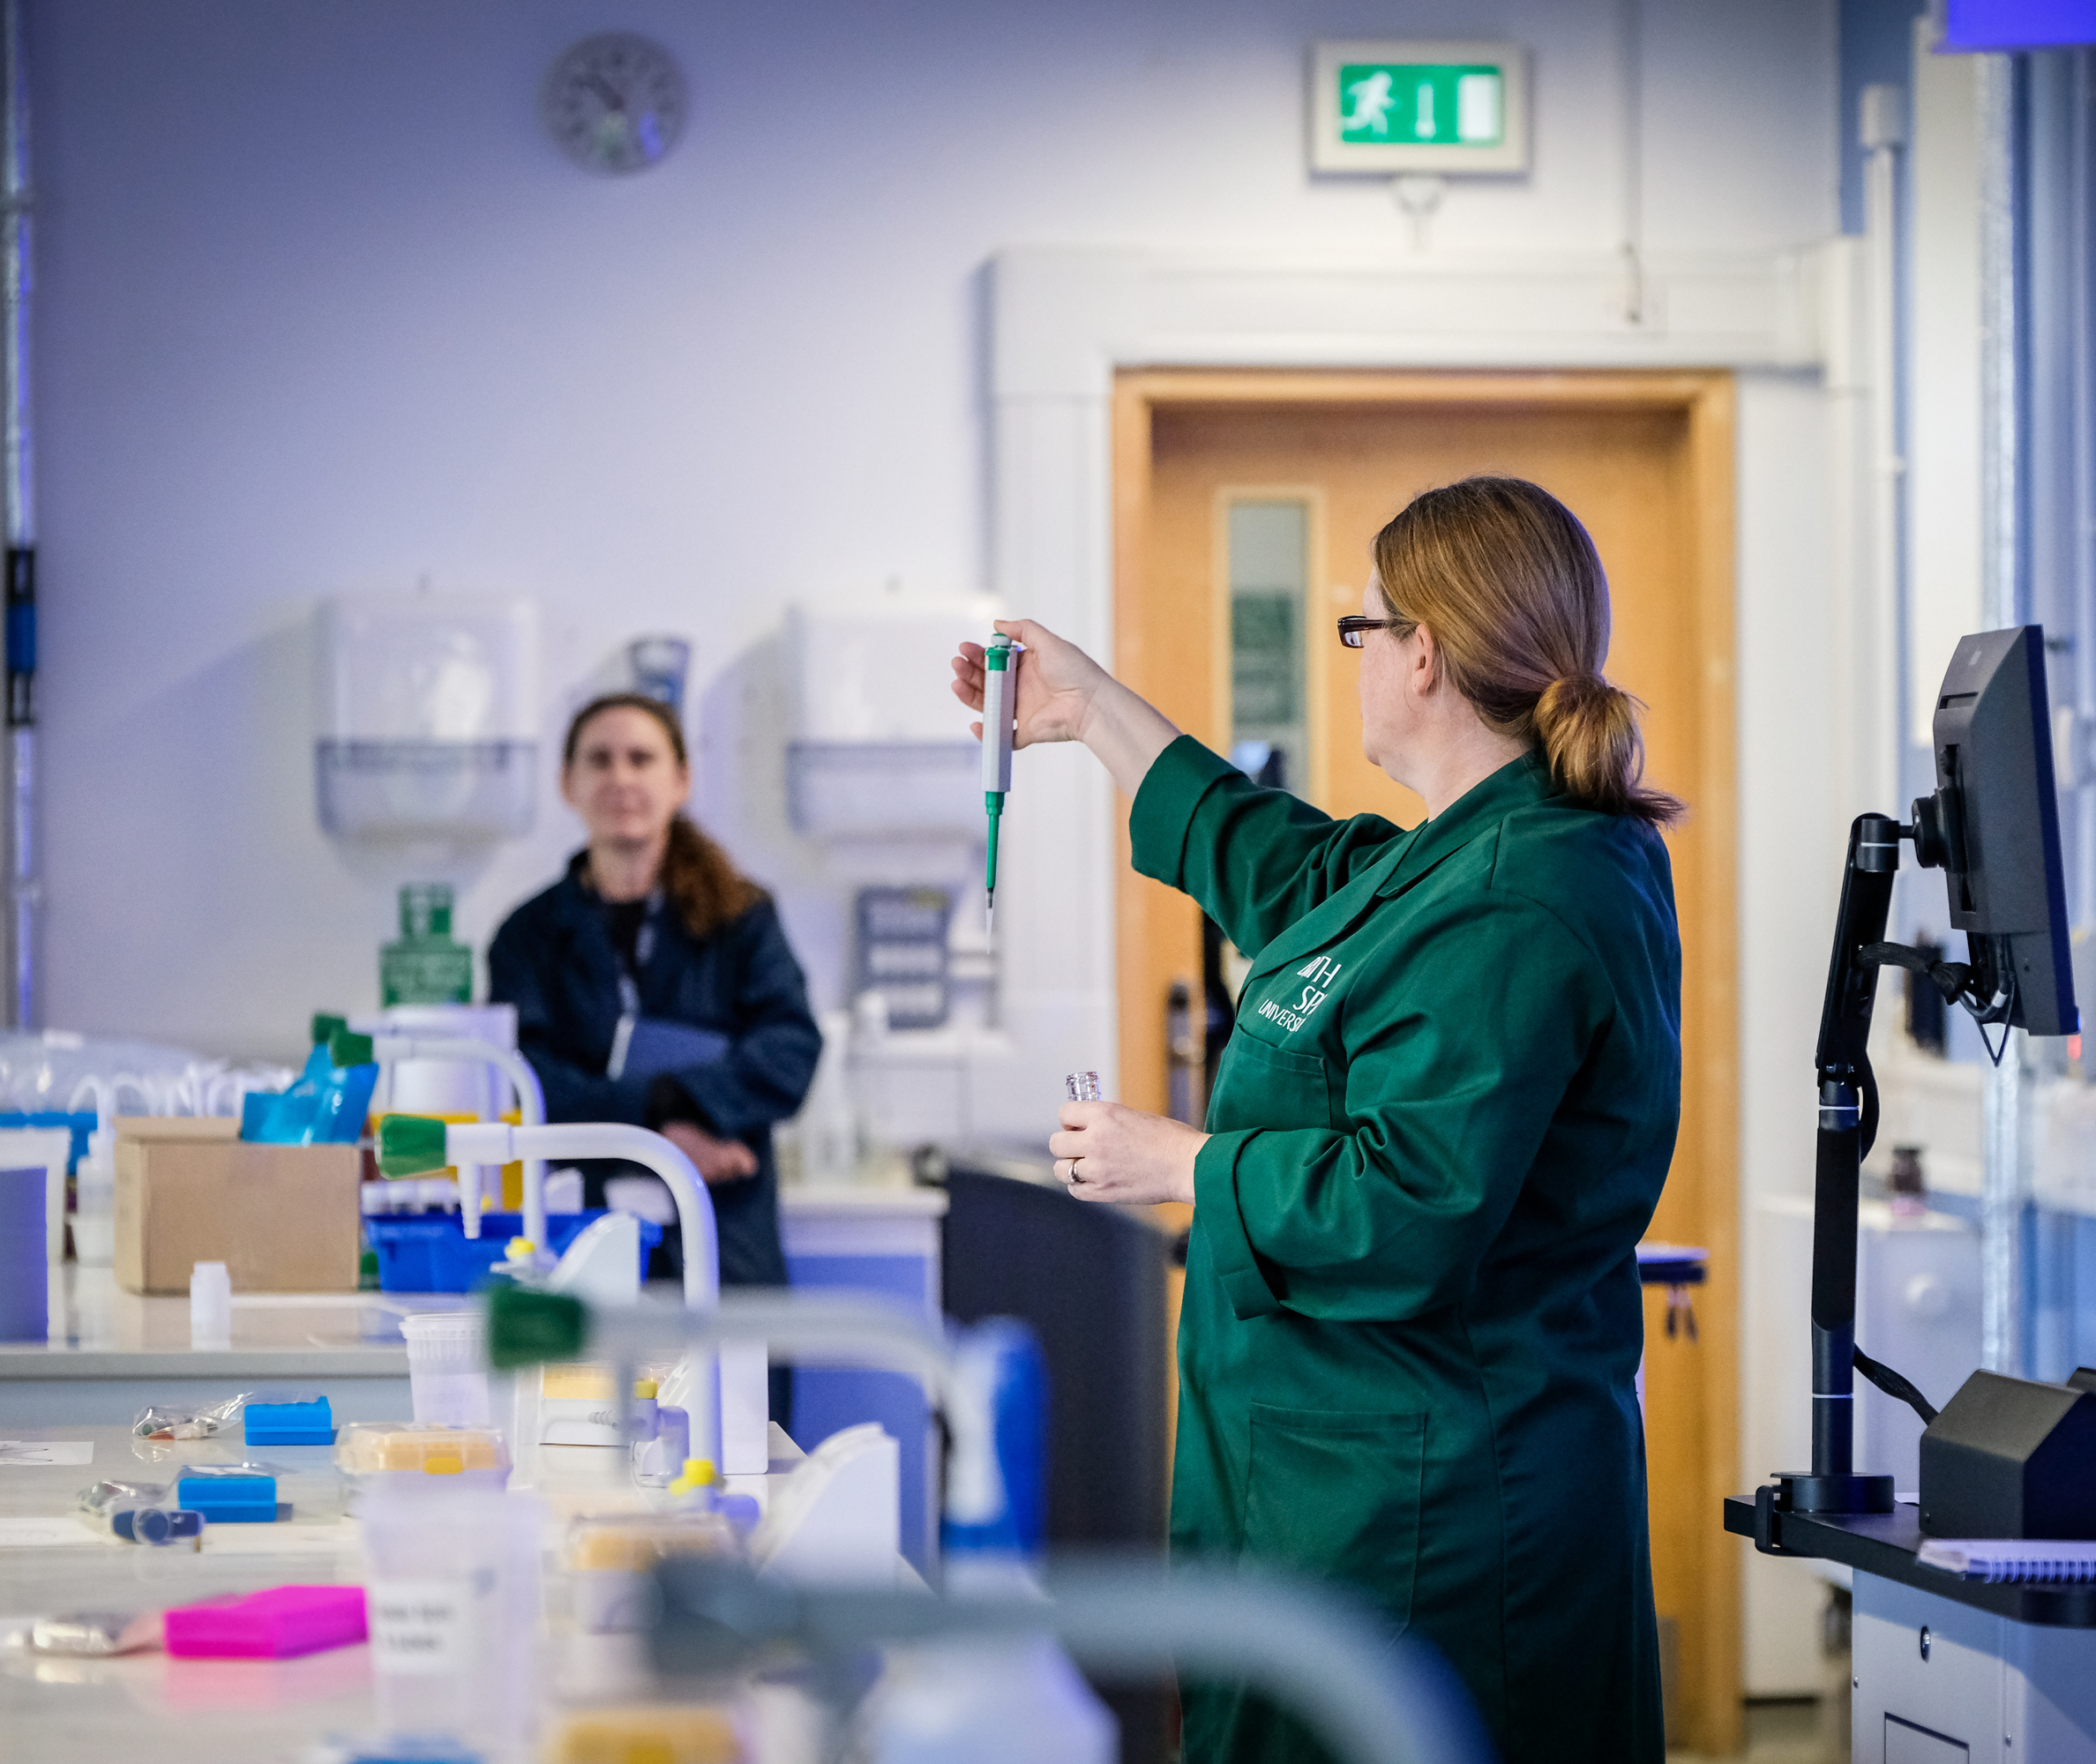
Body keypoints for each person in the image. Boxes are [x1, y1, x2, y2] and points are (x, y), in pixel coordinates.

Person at [951, 476, 1681, 1764]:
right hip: (1337, 1472)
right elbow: (1281, 865)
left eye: (1359, 631)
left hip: (1435, 1503)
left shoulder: (1521, 893)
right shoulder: (1450, 854)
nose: (1351, 661)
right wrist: (1090, 709)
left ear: (1424, 655)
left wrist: (1178, 1160)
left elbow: (1411, 1201)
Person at [488, 693, 822, 1374]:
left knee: (743, 1440)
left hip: (723, 1229)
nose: (621, 778)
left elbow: (790, 1049)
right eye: (600, 760)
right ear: (568, 783)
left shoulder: (743, 917)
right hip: (581, 1231)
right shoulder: (526, 936)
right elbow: (527, 1082)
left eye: (641, 758)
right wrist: (665, 1133)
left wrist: (669, 1097)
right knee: (585, 1445)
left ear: (681, 779)